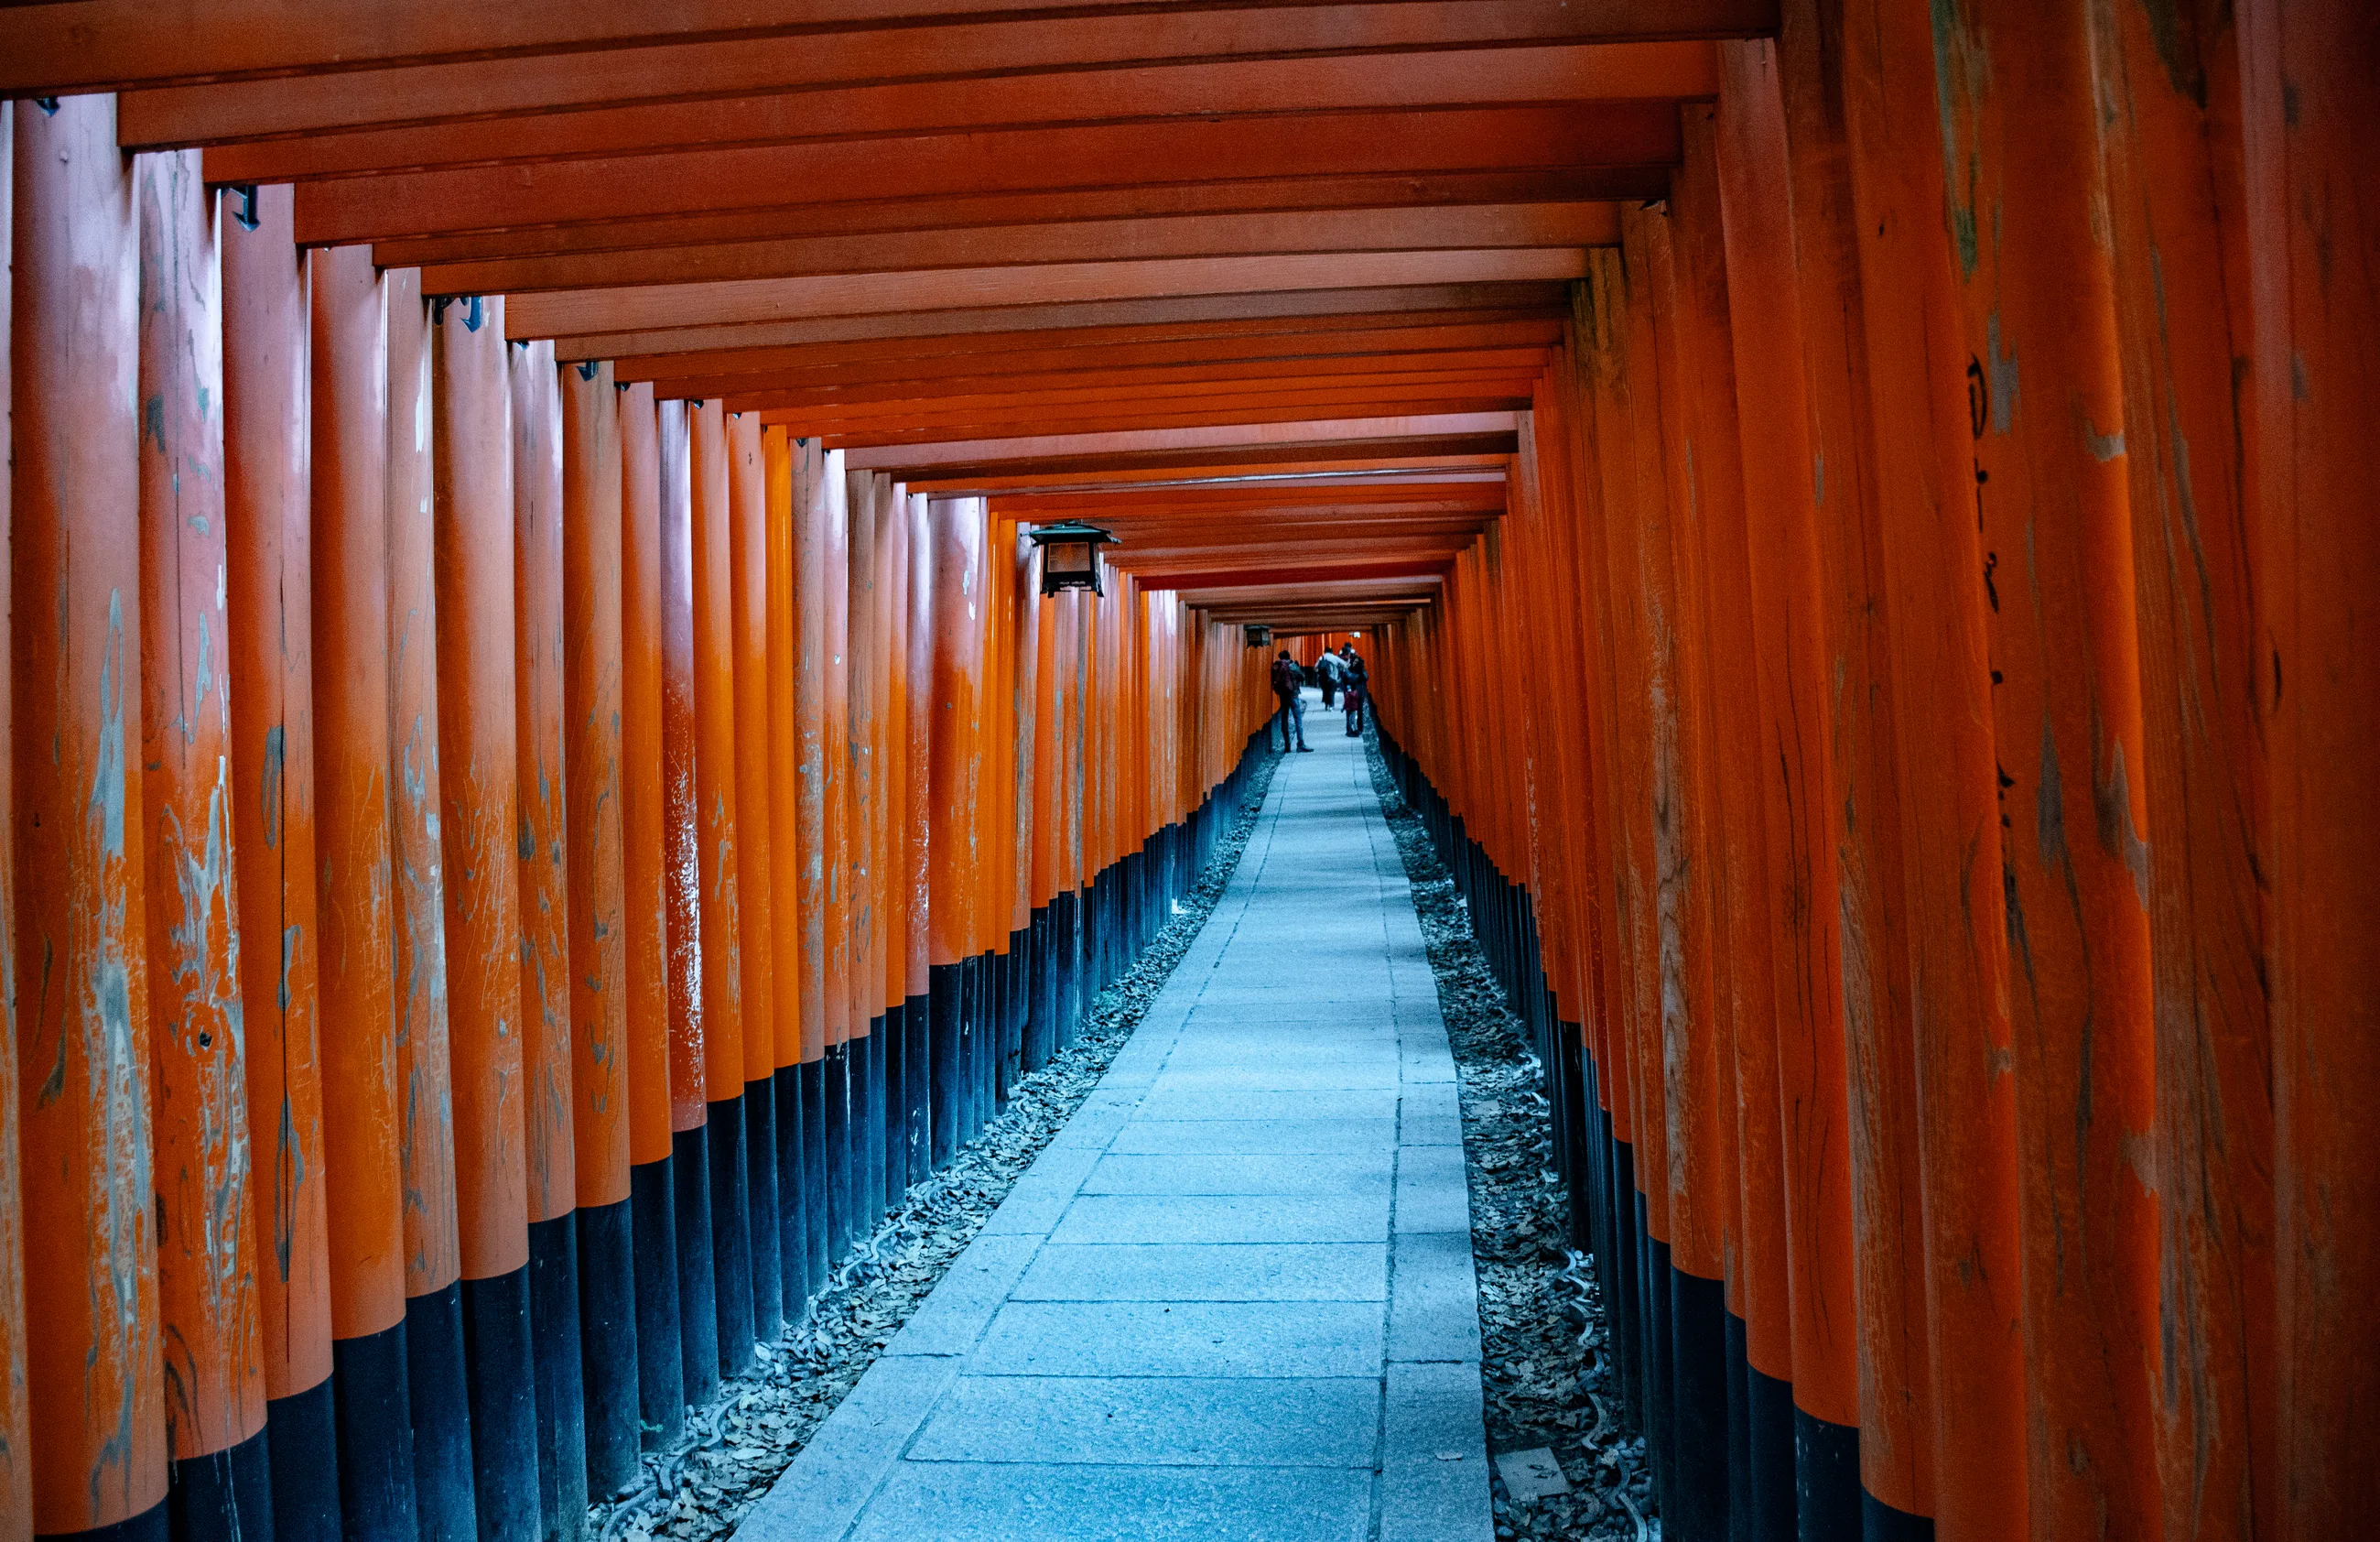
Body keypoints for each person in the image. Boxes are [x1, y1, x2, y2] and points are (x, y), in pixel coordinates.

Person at [1270, 648, 1313, 752]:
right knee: (1298, 719)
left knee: (1284, 720)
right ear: (1289, 656)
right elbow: (1302, 677)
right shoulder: (1293, 666)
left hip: (1283, 696)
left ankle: (1287, 746)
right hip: (1293, 695)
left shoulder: (1277, 666)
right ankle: (1300, 744)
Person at [1340, 643, 1369, 736]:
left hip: (1353, 691)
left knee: (1352, 710)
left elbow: (1348, 677)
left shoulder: (1349, 665)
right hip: (1356, 691)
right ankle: (1354, 729)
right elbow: (1362, 677)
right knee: (1354, 710)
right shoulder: (1349, 664)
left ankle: (1353, 728)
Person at [1316, 645, 1345, 710]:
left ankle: (1327, 704)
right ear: (1331, 651)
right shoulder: (1335, 658)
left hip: (1323, 678)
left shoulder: (1322, 658)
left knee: (1325, 691)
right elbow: (1344, 664)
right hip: (1333, 677)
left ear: (1325, 651)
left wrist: (1319, 672)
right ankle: (1331, 706)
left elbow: (1316, 667)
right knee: (1332, 691)